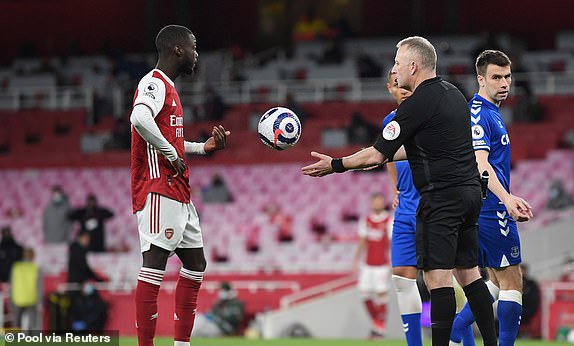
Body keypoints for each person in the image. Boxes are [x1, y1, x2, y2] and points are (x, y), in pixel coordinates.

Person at [302, 36, 500, 346]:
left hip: (442, 200)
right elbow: (417, 149)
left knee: (438, 280)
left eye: (397, 64)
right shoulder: (455, 94)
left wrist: (337, 164)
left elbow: (378, 154)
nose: (394, 70)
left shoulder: (415, 105)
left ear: (413, 66)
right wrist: (367, 159)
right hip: (470, 195)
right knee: (470, 275)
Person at [129, 25, 230, 346]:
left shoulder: (170, 89)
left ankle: (181, 344)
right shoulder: (153, 83)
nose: (197, 53)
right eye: (194, 46)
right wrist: (171, 153)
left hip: (179, 192)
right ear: (177, 50)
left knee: (196, 264)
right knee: (155, 264)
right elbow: (139, 119)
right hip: (158, 188)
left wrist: (203, 148)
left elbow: (170, 138)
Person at [385, 70, 475, 346]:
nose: (401, 87)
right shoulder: (390, 122)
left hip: (436, 206)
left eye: (404, 82)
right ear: (390, 87)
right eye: (395, 83)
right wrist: (394, 188)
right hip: (405, 212)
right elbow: (387, 154)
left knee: (450, 281)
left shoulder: (431, 114)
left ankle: (463, 340)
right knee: (402, 279)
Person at [450, 50, 534, 346]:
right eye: (496, 77)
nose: (504, 83)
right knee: (513, 281)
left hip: (487, 205)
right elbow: (480, 164)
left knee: (497, 283)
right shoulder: (480, 113)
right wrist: (507, 200)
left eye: (507, 76)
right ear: (480, 79)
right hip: (490, 207)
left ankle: (458, 329)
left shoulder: (491, 111)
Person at [353, 193, 392, 338]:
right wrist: (356, 259)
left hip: (382, 264)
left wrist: (393, 263)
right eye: (375, 201)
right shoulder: (366, 219)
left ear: (383, 203)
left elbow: (392, 242)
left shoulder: (389, 219)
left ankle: (379, 330)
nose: (377, 204)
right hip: (367, 264)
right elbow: (362, 240)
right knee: (364, 293)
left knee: (381, 294)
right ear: (371, 203)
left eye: (379, 202)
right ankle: (377, 324)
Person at [10, 248, 41, 331]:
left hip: (18, 299)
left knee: (16, 323)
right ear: (33, 256)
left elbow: (11, 285)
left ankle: (15, 341)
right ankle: (31, 340)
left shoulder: (16, 267)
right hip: (31, 299)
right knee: (33, 323)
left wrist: (11, 301)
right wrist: (40, 302)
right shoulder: (35, 268)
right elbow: (39, 287)